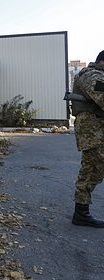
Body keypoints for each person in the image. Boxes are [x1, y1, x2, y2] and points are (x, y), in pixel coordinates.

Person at [71, 50, 104, 228]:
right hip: (92, 132)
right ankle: (81, 213)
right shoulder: (91, 76)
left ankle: (81, 211)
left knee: (95, 169)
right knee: (91, 169)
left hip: (98, 130)